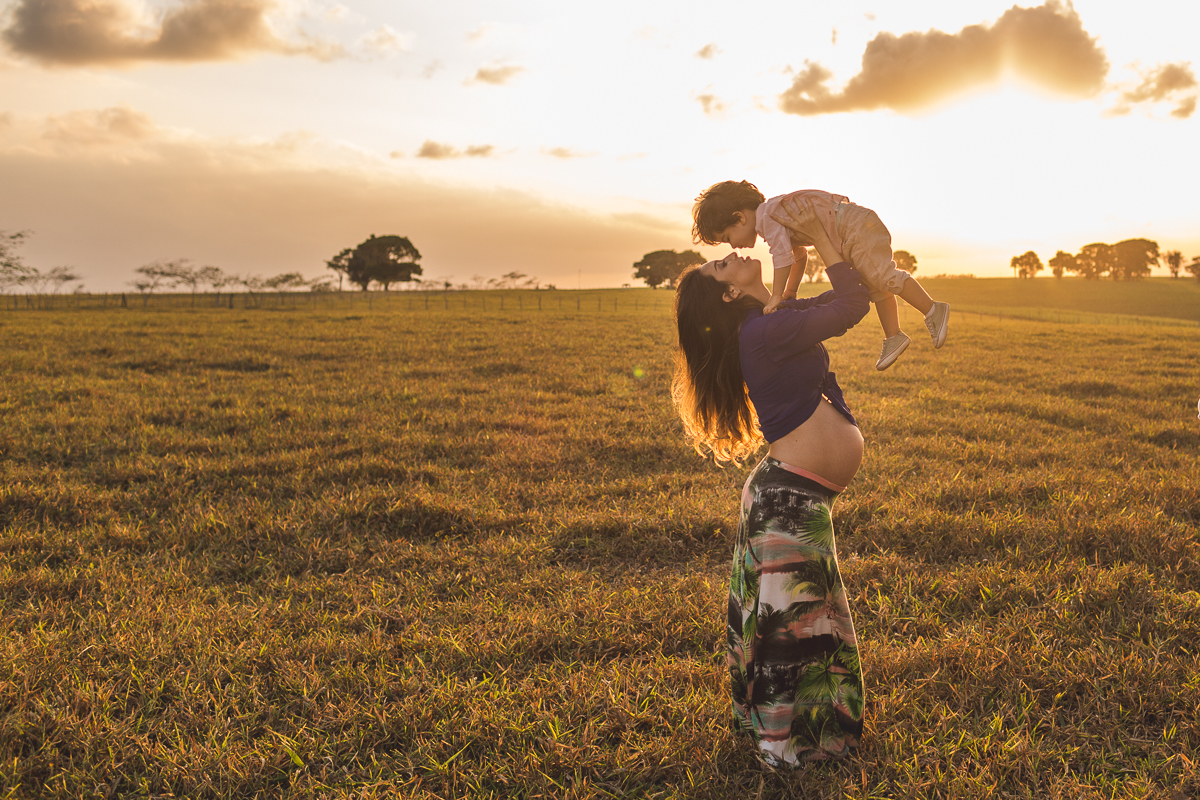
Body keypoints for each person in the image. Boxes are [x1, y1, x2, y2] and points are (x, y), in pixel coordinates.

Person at [673, 196, 870, 767]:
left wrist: (821, 243)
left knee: (806, 621)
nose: (731, 256)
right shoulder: (763, 331)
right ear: (730, 293)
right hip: (787, 499)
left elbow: (841, 297)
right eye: (720, 266)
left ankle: (807, 736)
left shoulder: (774, 318)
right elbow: (852, 304)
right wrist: (822, 236)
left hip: (792, 496)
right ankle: (783, 751)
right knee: (795, 628)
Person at [692, 179, 950, 371]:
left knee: (885, 277)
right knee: (875, 285)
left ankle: (932, 309)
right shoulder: (773, 216)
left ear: (739, 218)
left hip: (852, 225)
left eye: (727, 238)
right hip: (846, 230)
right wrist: (792, 291)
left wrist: (777, 296)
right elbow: (799, 255)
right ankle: (894, 336)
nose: (733, 247)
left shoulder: (768, 218)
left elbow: (782, 257)